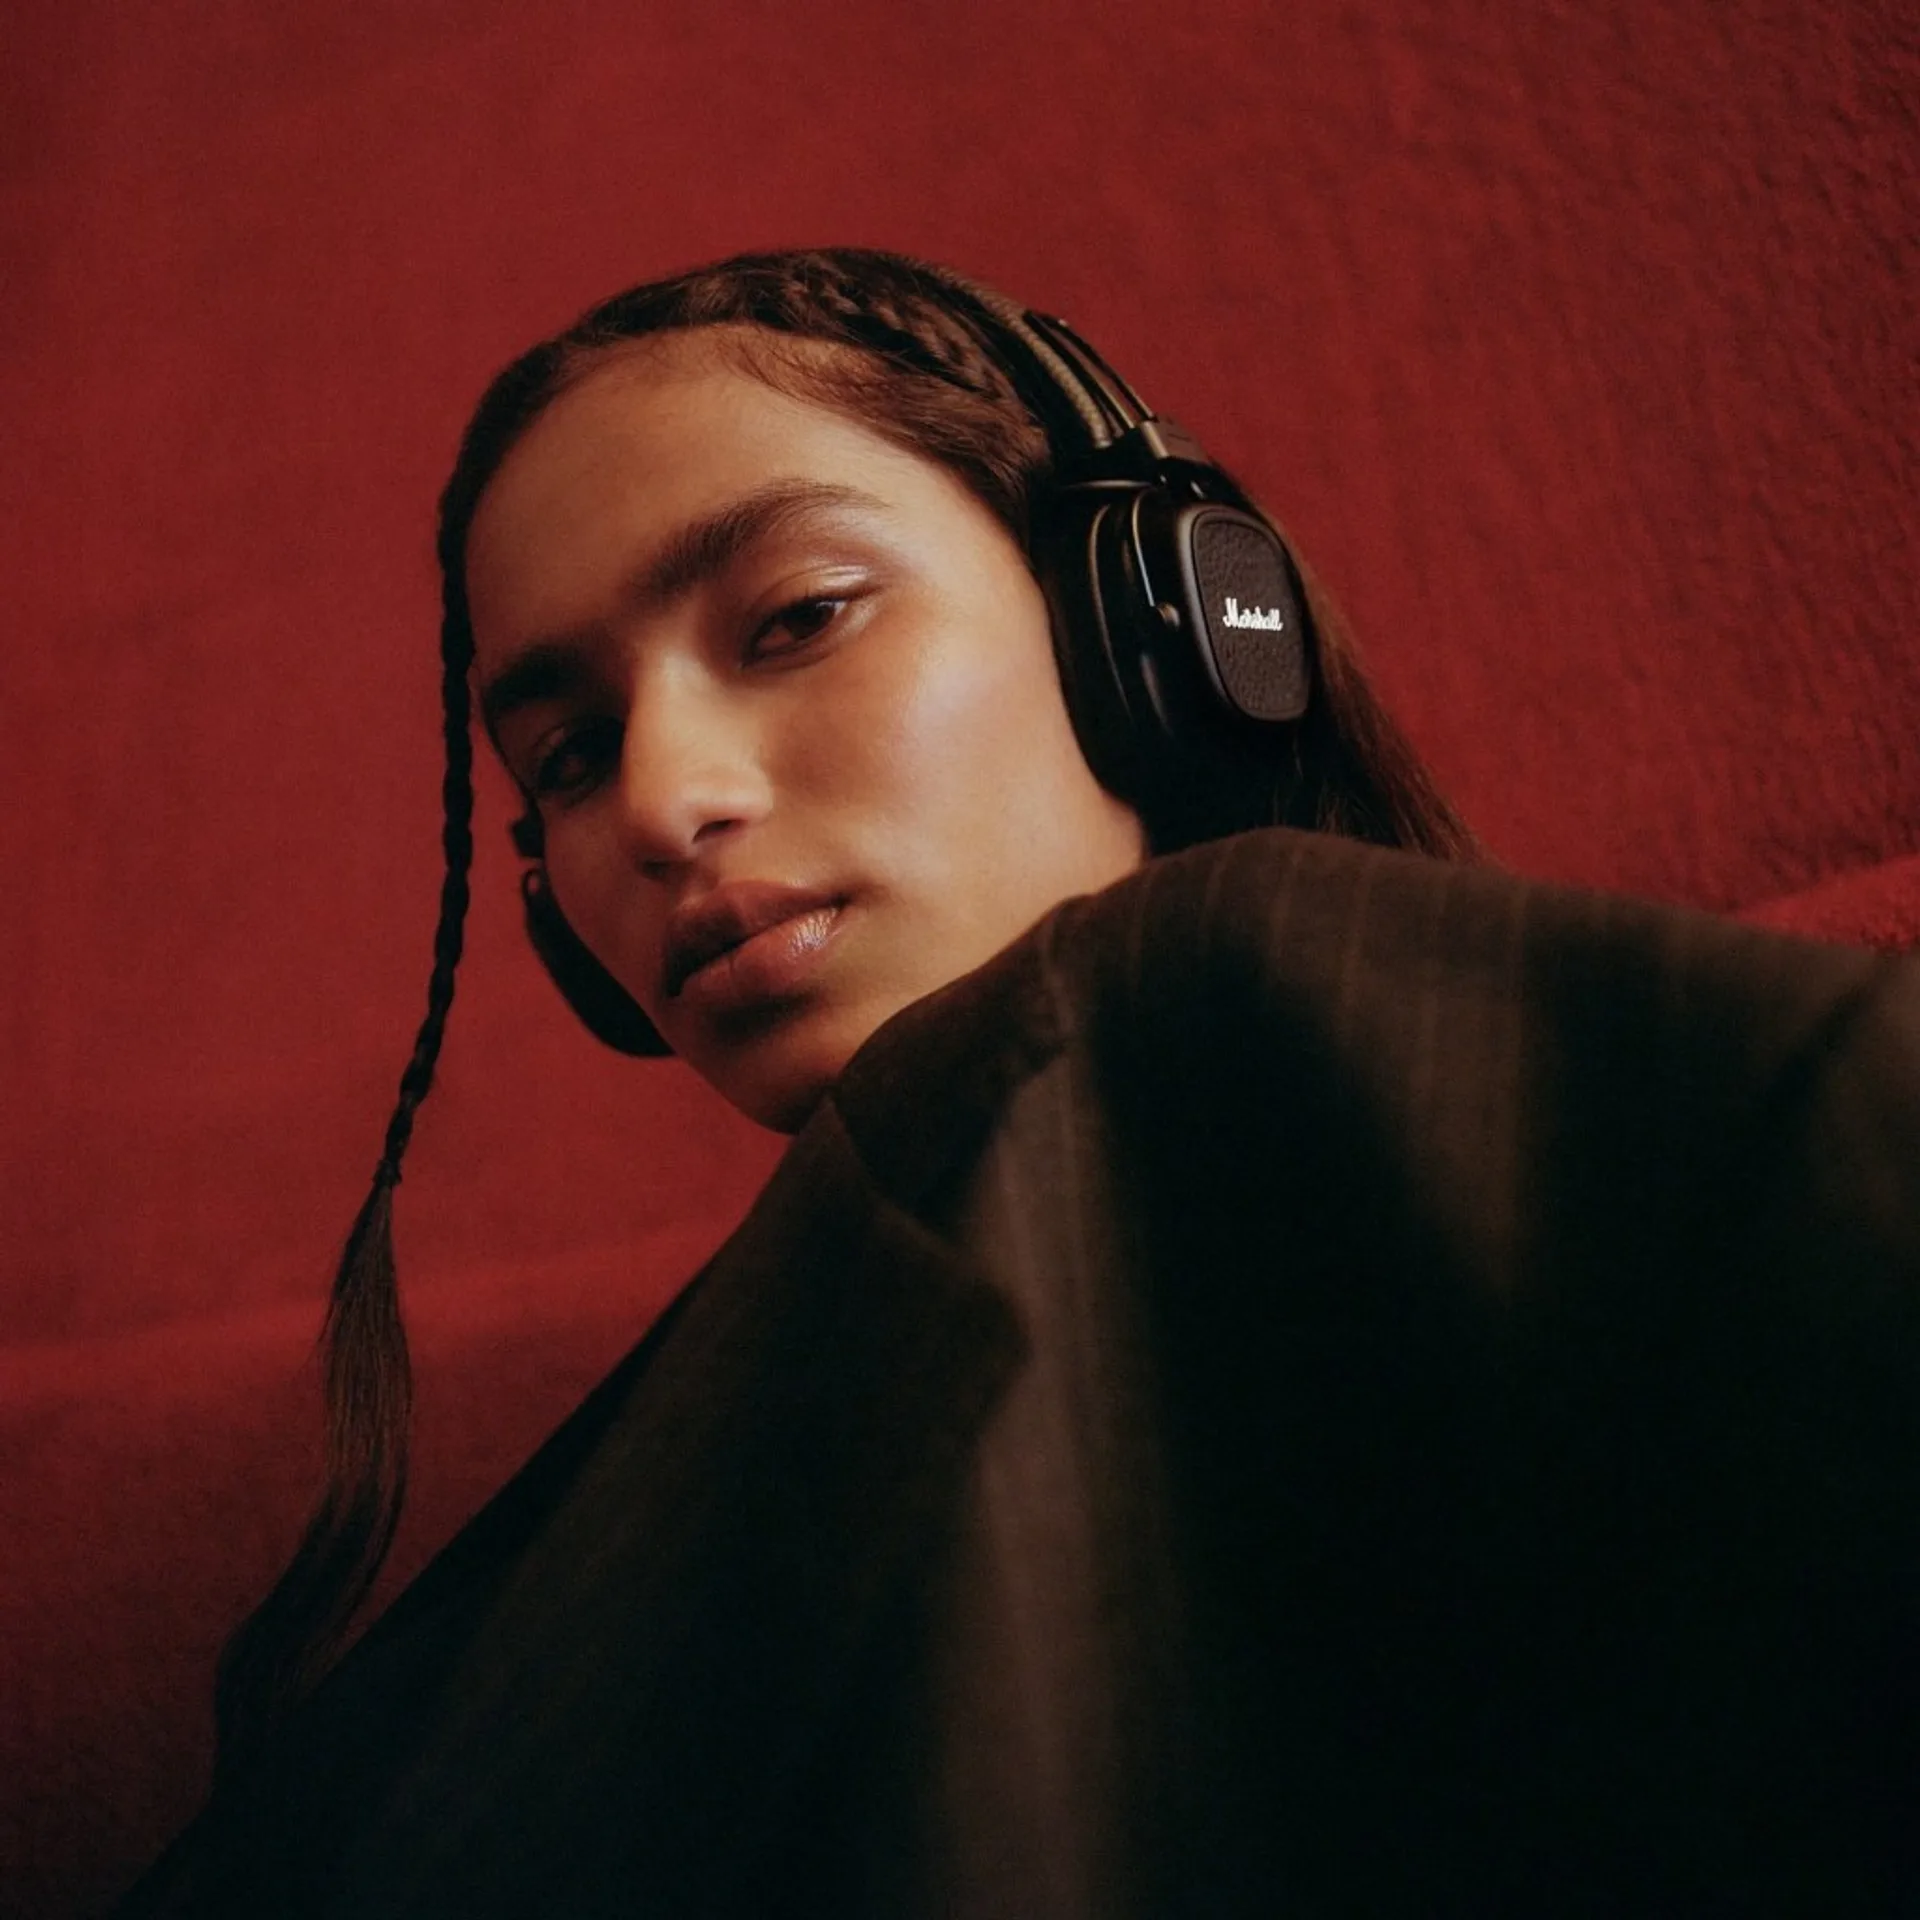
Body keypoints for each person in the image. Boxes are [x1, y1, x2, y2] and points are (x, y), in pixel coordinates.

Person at [119, 250, 1919, 1917]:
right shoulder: (757, 1366)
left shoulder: (1213, 992)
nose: (663, 803)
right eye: (571, 754)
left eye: (799, 616)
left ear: (1162, 626)